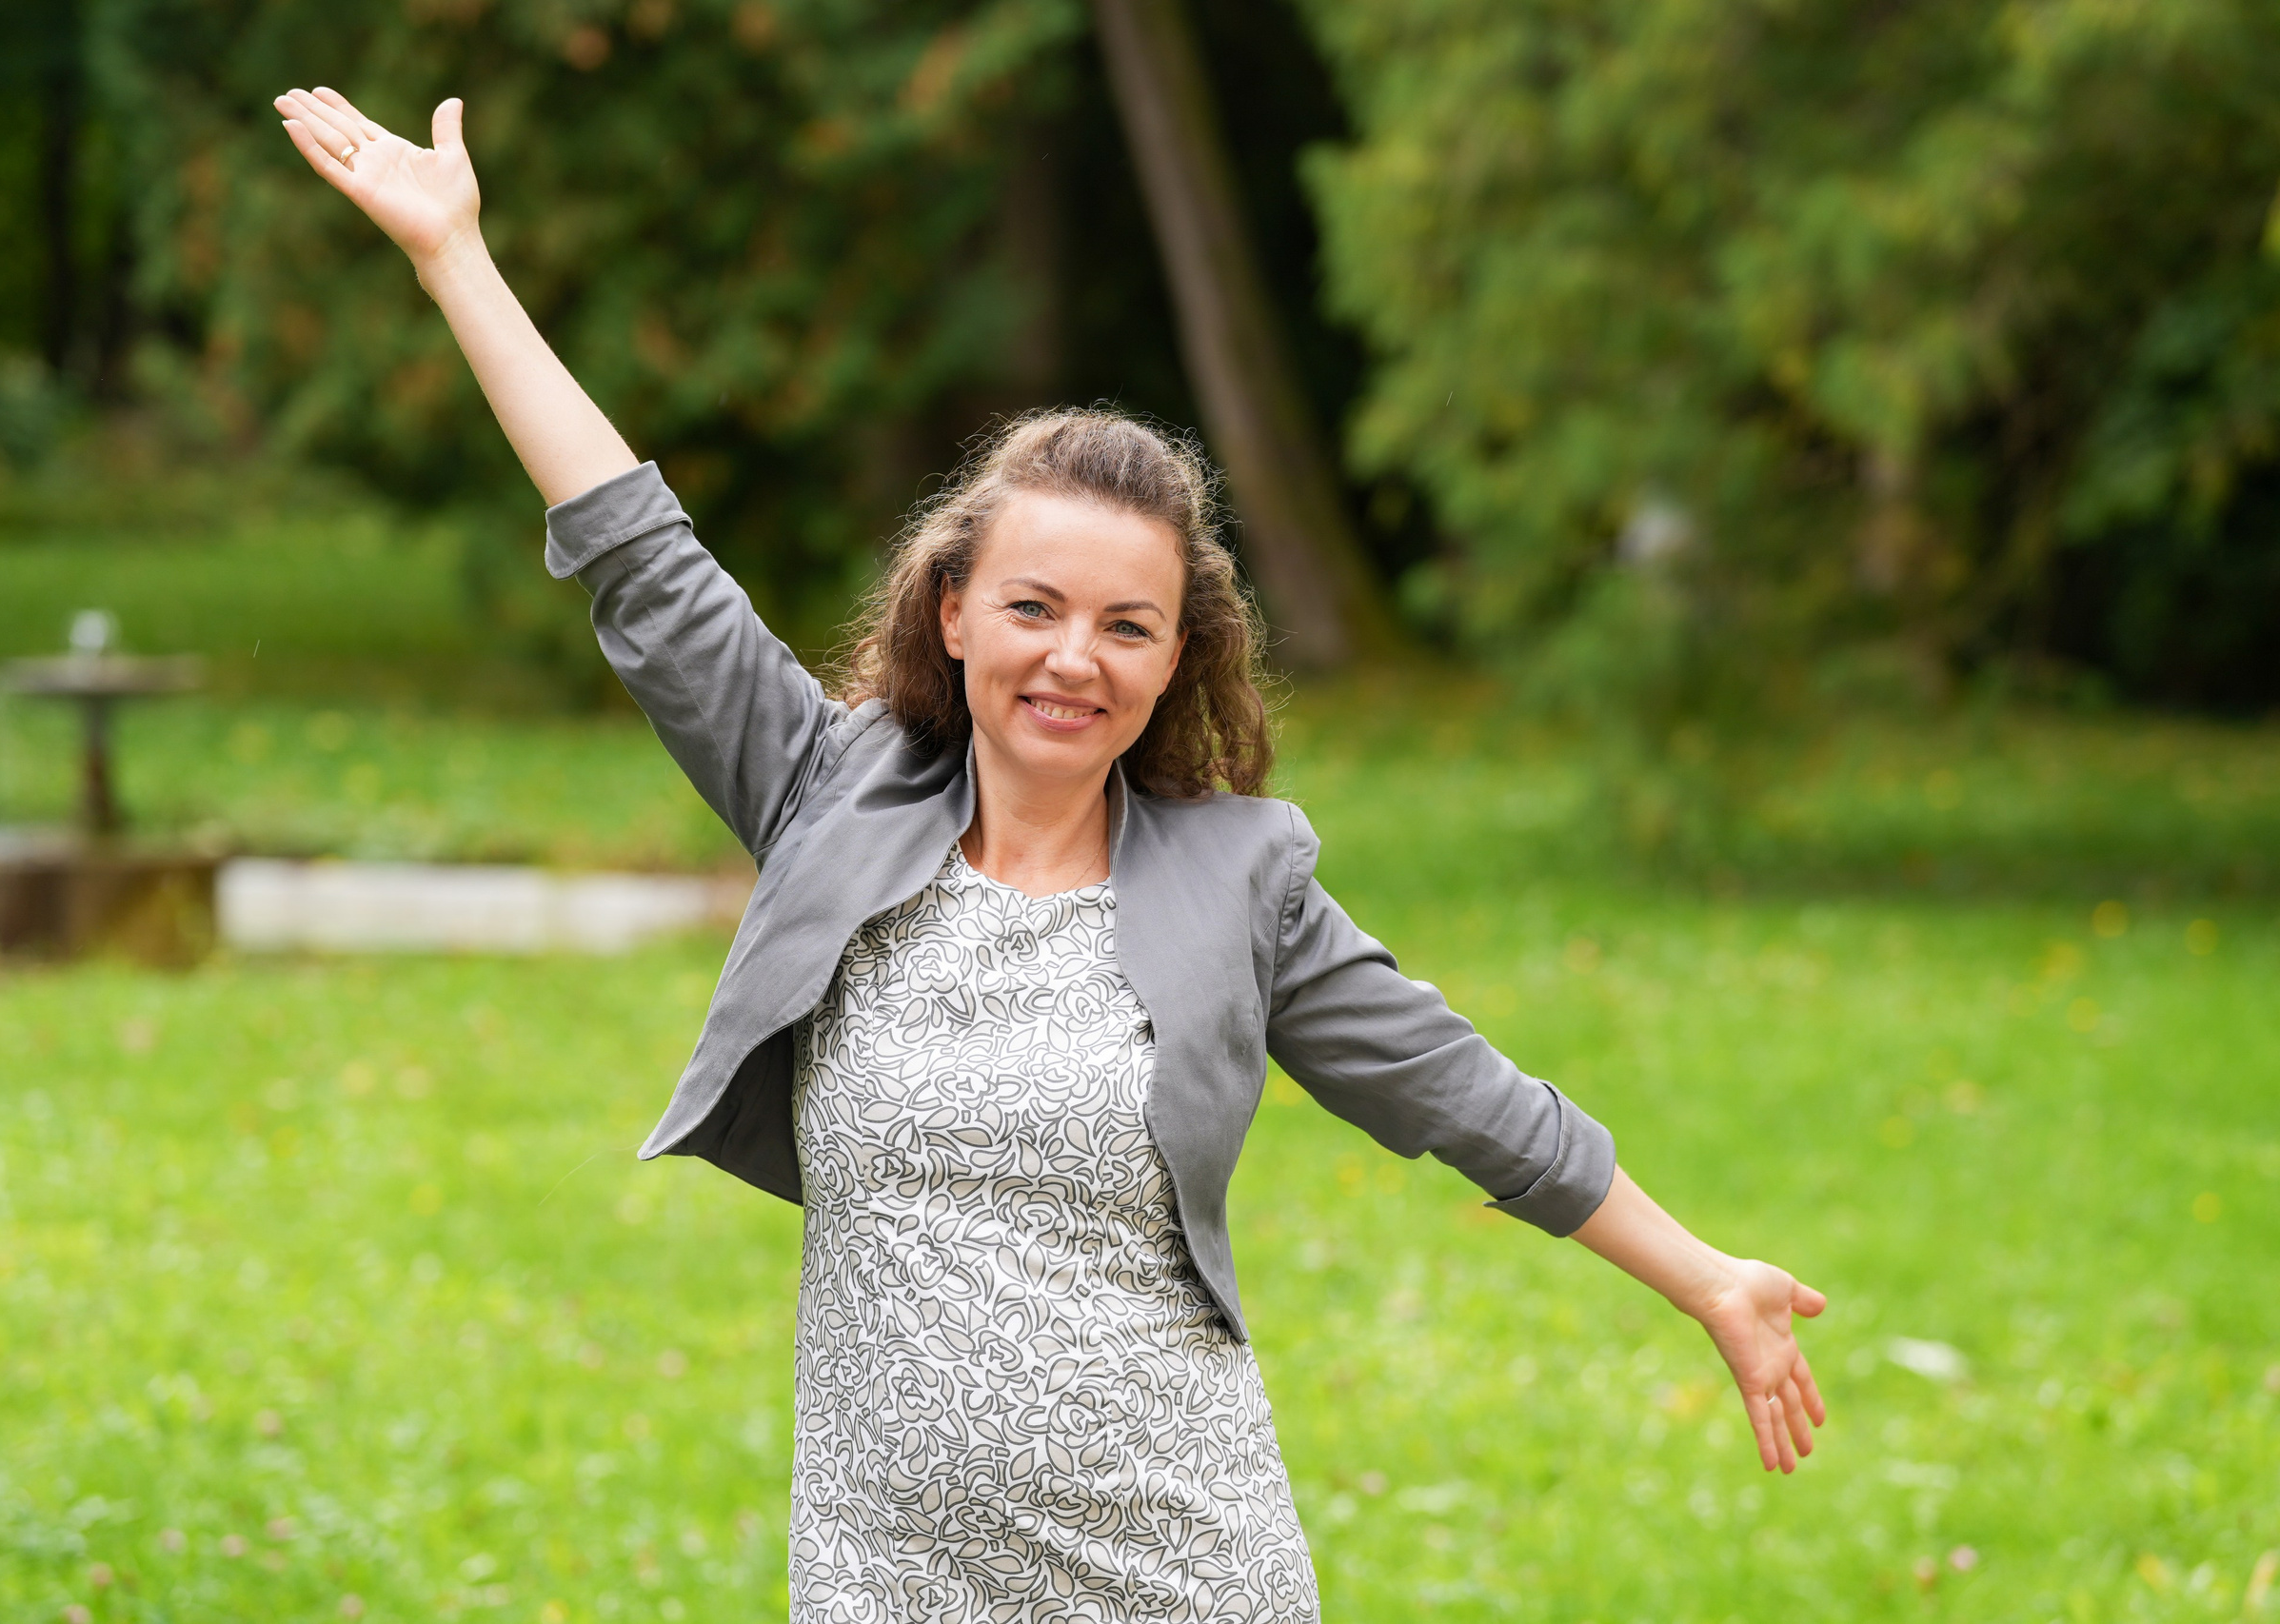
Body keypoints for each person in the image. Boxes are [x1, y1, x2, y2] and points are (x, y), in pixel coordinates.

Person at [274, 88, 1828, 1620]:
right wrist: (455, 262)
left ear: (1173, 660)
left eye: (1126, 625)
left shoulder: (1241, 884)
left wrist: (1704, 1274)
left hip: (1181, 1559)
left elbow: (1463, 1093)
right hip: (890, 1568)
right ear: (953, 614)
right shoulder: (825, 792)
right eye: (1034, 607)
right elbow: (642, 558)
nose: (1074, 656)